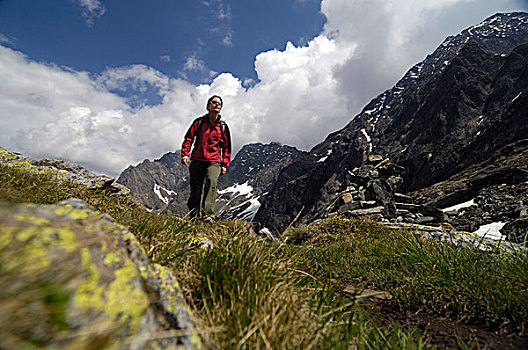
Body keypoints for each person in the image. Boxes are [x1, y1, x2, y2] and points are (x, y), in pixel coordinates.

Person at [181, 95, 231, 220]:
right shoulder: (199, 122)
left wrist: (224, 164)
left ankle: (208, 215)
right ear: (208, 106)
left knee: (211, 182)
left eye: (219, 104)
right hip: (198, 159)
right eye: (214, 102)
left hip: (214, 161)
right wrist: (185, 154)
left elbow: (226, 147)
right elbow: (188, 138)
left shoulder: (223, 127)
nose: (217, 105)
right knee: (195, 189)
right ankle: (193, 216)